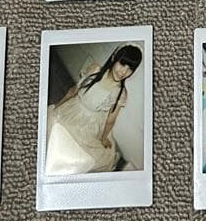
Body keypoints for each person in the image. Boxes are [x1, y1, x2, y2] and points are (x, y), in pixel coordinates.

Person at [45, 45, 143, 174]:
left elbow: (111, 120)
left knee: (80, 155)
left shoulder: (121, 93)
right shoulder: (95, 69)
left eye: (130, 69)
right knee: (53, 128)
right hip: (75, 107)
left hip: (91, 122)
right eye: (122, 64)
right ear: (114, 58)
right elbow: (74, 90)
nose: (123, 72)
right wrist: (60, 104)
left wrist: (103, 138)